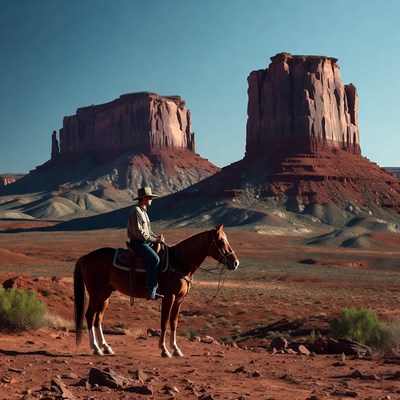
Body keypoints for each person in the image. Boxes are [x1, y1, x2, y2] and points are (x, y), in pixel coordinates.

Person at [127, 187, 165, 300]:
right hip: (138, 243)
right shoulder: (136, 211)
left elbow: (148, 230)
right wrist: (154, 240)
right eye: (150, 197)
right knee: (155, 260)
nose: (151, 199)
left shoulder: (143, 211)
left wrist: (156, 237)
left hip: (144, 241)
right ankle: (150, 290)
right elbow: (139, 233)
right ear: (143, 198)